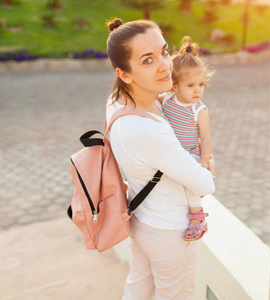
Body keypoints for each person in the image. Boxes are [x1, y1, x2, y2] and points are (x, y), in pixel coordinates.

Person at [105, 18, 215, 300]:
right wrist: (208, 165)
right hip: (170, 232)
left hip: (140, 218)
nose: (165, 65)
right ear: (124, 73)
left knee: (138, 288)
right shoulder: (149, 129)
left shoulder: (117, 102)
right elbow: (204, 184)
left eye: (164, 52)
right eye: (147, 60)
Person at [159, 36, 215, 241]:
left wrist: (204, 160)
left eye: (201, 84)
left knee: (191, 182)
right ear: (175, 86)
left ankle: (197, 217)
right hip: (170, 152)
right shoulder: (167, 100)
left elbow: (206, 137)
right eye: (191, 85)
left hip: (190, 154)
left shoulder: (199, 110)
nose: (197, 90)